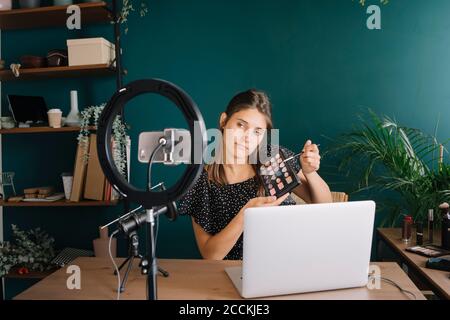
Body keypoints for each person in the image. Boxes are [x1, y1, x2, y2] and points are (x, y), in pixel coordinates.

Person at [179, 89, 332, 260]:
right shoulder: (201, 181)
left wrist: (310, 173)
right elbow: (211, 254)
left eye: (257, 131)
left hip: (293, 259)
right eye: (241, 125)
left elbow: (326, 206)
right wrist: (246, 214)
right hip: (238, 273)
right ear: (224, 121)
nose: (247, 137)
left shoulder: (271, 158)